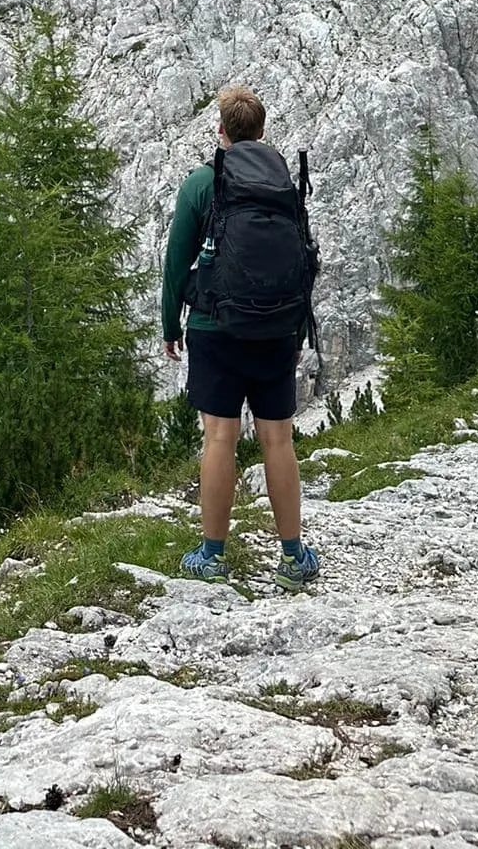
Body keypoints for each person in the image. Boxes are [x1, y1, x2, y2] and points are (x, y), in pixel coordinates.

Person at [162, 85, 321, 591]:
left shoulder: (202, 184)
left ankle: (212, 556)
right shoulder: (282, 186)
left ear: (221, 132)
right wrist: (296, 329)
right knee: (278, 439)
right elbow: (300, 262)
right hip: (276, 329)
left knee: (220, 437)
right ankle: (293, 557)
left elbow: (175, 265)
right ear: (262, 131)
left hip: (215, 328)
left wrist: (171, 326)